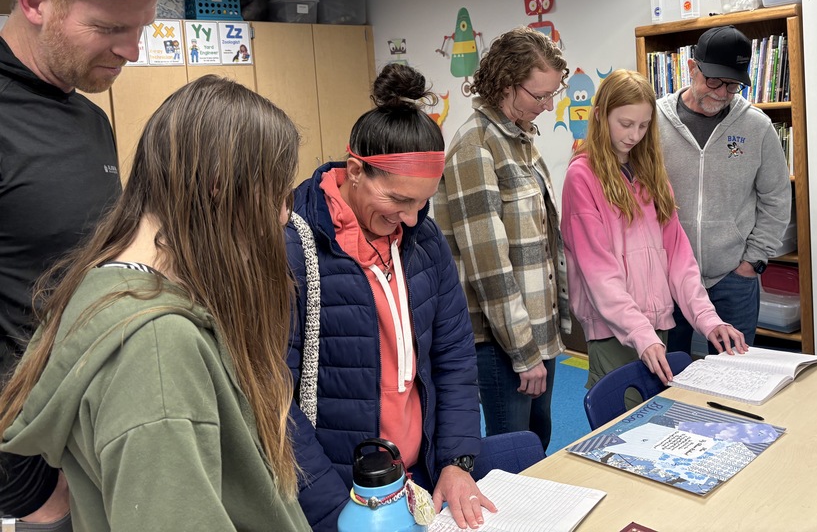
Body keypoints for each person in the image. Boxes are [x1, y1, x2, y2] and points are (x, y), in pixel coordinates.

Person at [0, 75, 311, 531]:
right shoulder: (156, 351)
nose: (285, 214)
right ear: (220, 186)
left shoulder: (102, 287)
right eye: (279, 195)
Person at [0, 0, 204, 527]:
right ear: (34, 1)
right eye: (111, 29)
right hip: (23, 449)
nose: (131, 51)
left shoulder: (89, 116)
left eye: (139, 28)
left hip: (93, 419)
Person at [285, 63, 492, 532]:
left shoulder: (424, 241)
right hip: (336, 489)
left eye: (422, 203)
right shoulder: (294, 247)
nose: (412, 218)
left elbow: (454, 356)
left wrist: (457, 461)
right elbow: (273, 399)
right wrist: (332, 509)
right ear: (356, 170)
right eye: (399, 201)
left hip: (415, 479)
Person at [561, 69, 747, 402]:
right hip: (612, 332)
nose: (634, 135)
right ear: (601, 116)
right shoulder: (582, 176)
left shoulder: (650, 174)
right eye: (625, 124)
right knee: (624, 430)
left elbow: (679, 258)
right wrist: (641, 333)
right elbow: (599, 275)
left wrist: (708, 319)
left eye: (644, 126)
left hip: (655, 327)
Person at [432, 27, 570, 450]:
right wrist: (524, 353)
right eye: (539, 96)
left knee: (538, 441)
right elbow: (489, 267)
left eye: (553, 94)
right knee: (514, 452)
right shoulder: (476, 147)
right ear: (506, 84)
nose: (548, 106)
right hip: (502, 342)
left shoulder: (520, 138)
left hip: (536, 330)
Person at [656, 25, 791, 353]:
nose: (720, 93)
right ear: (691, 68)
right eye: (713, 81)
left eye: (731, 85)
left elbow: (776, 197)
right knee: (668, 372)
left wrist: (753, 262)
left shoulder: (756, 127)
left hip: (734, 277)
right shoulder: (654, 121)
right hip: (668, 275)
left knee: (734, 372)